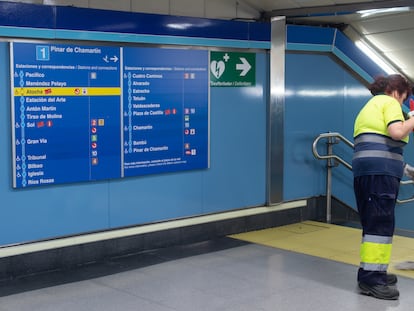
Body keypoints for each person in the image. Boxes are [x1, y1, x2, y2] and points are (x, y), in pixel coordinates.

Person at [353, 74, 414, 300]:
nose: (402, 103)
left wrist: (407, 169)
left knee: (374, 223)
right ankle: (371, 280)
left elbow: (379, 147)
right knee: (380, 225)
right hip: (380, 175)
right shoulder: (389, 103)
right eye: (404, 97)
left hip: (368, 173)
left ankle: (374, 270)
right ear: (395, 91)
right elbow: (397, 132)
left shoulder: (369, 107)